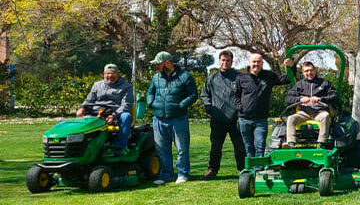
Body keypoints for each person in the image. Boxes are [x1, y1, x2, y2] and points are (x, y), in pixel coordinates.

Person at [146, 51, 198, 185]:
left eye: (158, 64)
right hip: (159, 119)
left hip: (178, 119)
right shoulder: (156, 78)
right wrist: (151, 103)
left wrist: (181, 105)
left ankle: (182, 174)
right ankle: (166, 175)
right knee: (162, 149)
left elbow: (193, 95)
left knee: (182, 148)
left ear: (167, 63)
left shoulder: (185, 76)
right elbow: (150, 92)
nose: (156, 66)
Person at [234, 53, 294, 160]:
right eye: (254, 61)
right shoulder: (241, 78)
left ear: (262, 63)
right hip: (244, 119)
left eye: (258, 62)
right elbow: (235, 96)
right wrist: (240, 107)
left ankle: (258, 168)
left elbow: (287, 79)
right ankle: (251, 170)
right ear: (249, 63)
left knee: (260, 144)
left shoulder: (269, 76)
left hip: (260, 119)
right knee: (248, 147)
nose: (256, 64)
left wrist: (292, 66)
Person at [200, 50, 245, 178]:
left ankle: (243, 169)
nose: (225, 63)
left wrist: (241, 109)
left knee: (240, 147)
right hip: (218, 119)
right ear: (219, 61)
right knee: (215, 147)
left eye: (228, 60)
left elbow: (245, 95)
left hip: (235, 119)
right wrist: (209, 107)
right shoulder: (212, 78)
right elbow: (204, 95)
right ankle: (212, 170)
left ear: (232, 61)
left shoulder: (239, 77)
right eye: (223, 60)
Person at [78, 63, 134, 152]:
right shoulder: (97, 85)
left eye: (113, 73)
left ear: (118, 74)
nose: (110, 76)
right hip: (96, 113)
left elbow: (126, 105)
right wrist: (82, 108)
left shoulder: (126, 87)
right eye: (107, 73)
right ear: (103, 74)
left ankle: (119, 147)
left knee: (126, 116)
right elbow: (89, 100)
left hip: (115, 113)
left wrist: (114, 115)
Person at [285, 61, 338, 147]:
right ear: (303, 73)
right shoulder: (299, 85)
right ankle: (291, 142)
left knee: (325, 116)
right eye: (306, 71)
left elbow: (334, 95)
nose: (309, 73)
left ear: (315, 71)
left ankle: (321, 142)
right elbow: (288, 98)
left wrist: (320, 99)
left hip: (319, 111)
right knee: (291, 118)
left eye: (311, 70)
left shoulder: (324, 83)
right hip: (304, 112)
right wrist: (300, 99)